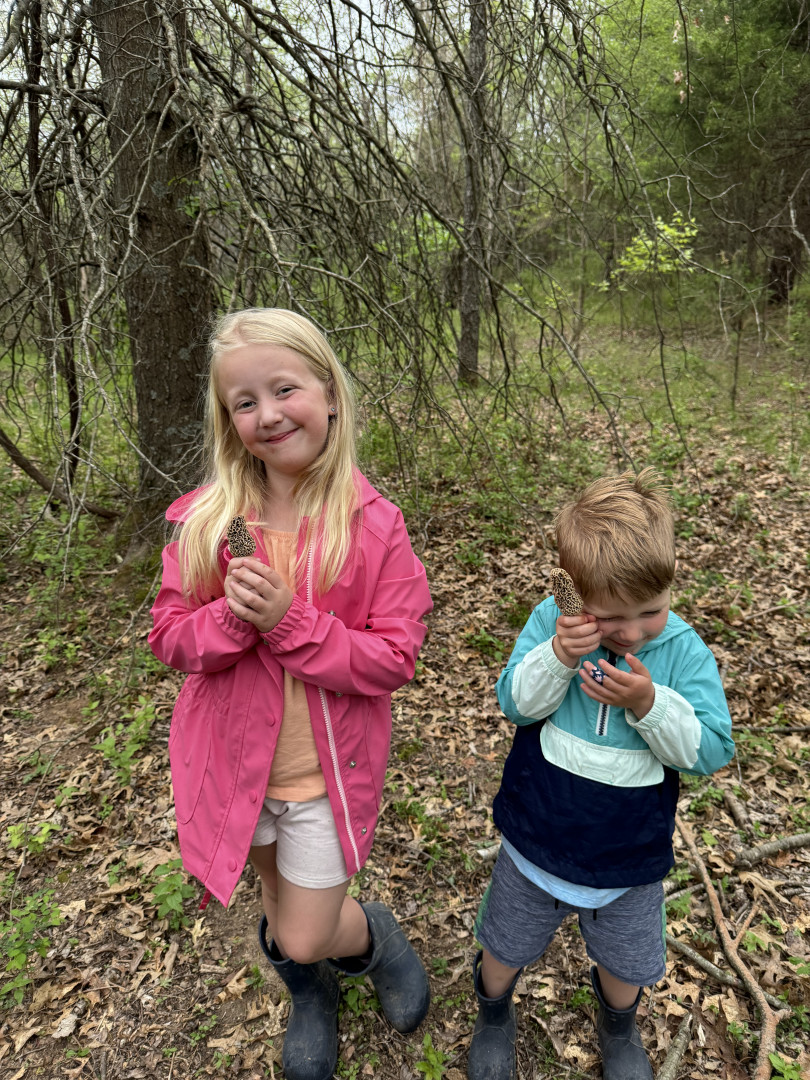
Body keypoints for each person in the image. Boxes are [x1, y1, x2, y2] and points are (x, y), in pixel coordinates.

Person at [149, 308, 433, 1080]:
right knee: (276, 905)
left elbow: (394, 656)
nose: (269, 414)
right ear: (229, 422)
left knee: (305, 930)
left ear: (329, 394)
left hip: (323, 782)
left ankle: (371, 939)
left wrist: (288, 622)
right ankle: (312, 993)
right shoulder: (218, 524)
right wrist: (231, 619)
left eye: (284, 389)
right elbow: (170, 636)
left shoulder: (370, 526)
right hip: (239, 773)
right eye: (245, 402)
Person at [467, 469, 734, 1080]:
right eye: (612, 617)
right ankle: (493, 1009)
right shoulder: (553, 623)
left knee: (626, 961)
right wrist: (558, 656)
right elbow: (516, 704)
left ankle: (618, 1025)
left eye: (652, 611)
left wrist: (650, 704)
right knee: (505, 942)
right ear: (573, 591)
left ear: (671, 581)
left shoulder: (683, 651)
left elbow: (711, 750)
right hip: (537, 837)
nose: (633, 632)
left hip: (628, 855)